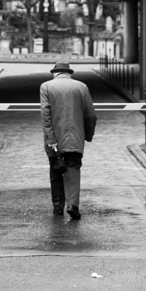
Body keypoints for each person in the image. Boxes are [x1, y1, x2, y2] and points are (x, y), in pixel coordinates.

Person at [40, 62, 97, 220]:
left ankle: (58, 207)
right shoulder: (82, 87)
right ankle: (72, 205)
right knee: (73, 168)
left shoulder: (46, 86)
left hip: (55, 137)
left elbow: (46, 115)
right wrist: (88, 135)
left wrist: (50, 138)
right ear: (69, 73)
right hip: (75, 137)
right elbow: (91, 115)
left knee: (56, 169)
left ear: (55, 73)